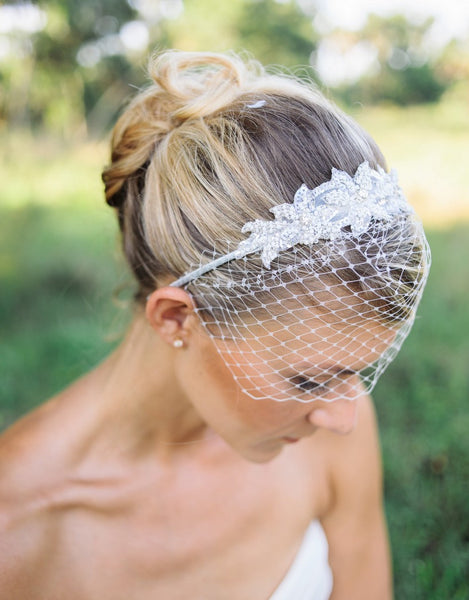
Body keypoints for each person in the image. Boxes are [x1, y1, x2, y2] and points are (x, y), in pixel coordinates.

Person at [0, 50, 430, 600]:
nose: (346, 415)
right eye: (306, 379)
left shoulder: (323, 426)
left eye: (357, 372)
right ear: (177, 317)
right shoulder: (19, 530)